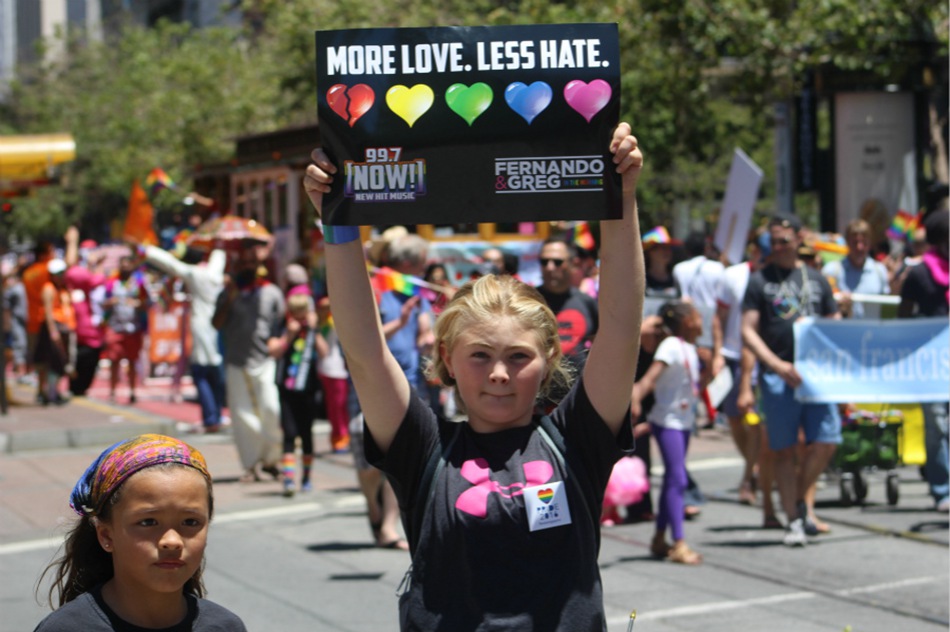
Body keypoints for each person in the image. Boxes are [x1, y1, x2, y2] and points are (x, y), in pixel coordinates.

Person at [303, 121, 644, 629]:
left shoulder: (578, 441)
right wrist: (338, 216)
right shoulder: (422, 448)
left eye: (519, 357)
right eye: (480, 356)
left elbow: (620, 324)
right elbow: (366, 352)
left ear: (550, 360)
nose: (500, 374)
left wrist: (623, 196)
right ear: (447, 359)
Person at [34, 434, 247, 631]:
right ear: (106, 536)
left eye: (191, 522)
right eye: (148, 522)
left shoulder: (225, 626)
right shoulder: (65, 628)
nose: (172, 541)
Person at [741, 212, 841, 547]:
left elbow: (834, 324)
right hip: (779, 377)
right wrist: (776, 364)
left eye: (784, 240)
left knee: (827, 441)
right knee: (782, 450)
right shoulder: (760, 280)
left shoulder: (816, 278)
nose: (778, 246)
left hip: (817, 377)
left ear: (799, 239)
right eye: (773, 240)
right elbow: (747, 331)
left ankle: (798, 498)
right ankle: (794, 519)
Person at [632, 301, 704, 565]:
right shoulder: (671, 346)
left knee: (674, 481)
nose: (701, 321)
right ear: (687, 321)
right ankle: (679, 543)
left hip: (682, 421)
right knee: (677, 479)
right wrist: (636, 397)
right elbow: (649, 378)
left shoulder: (688, 348)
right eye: (698, 316)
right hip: (668, 421)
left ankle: (660, 537)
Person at [213, 244, 285, 482]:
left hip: (264, 360)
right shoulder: (228, 292)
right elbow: (216, 323)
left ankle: (272, 459)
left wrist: (280, 340)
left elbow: (282, 321)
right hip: (236, 361)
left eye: (251, 263)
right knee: (243, 416)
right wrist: (230, 297)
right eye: (242, 263)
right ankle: (252, 465)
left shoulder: (271, 292)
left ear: (259, 266)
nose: (247, 267)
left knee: (270, 409)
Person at [140, 241, 227, 433]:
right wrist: (220, 247)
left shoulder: (197, 274)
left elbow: (171, 264)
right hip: (218, 330)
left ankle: (211, 417)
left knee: (201, 374)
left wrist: (148, 250)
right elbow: (218, 259)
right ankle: (217, 415)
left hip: (202, 329)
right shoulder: (218, 276)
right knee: (216, 374)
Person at [714, 229, 770, 507]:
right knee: (735, 418)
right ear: (754, 251)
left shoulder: (772, 279)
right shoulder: (733, 275)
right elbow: (719, 316)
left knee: (755, 420)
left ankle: (749, 477)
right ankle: (754, 464)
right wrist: (716, 354)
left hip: (764, 357)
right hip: (733, 355)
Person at [898, 208, 949, 512]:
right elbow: (904, 314)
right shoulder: (919, 273)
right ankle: (942, 489)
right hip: (932, 362)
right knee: (937, 425)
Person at [268, 291, 320, 496]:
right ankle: (289, 480)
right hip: (287, 387)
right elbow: (273, 351)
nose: (299, 316)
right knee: (289, 433)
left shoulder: (312, 328)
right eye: (295, 312)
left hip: (308, 387)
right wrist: (288, 336)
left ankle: (306, 478)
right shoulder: (283, 325)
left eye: (302, 312)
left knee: (307, 433)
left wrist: (314, 331)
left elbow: (324, 352)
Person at [536, 238, 599, 377]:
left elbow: (600, 347)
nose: (550, 267)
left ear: (573, 263)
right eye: (544, 262)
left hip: (578, 390)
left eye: (557, 262)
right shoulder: (528, 301)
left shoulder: (587, 303)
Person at [63, 228, 108, 397]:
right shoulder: (77, 275)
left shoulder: (89, 276)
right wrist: (72, 242)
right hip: (79, 329)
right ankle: (75, 386)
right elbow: (74, 271)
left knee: (89, 360)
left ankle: (79, 387)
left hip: (91, 331)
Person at [102, 252, 150, 404]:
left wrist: (138, 304)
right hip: (115, 327)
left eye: (128, 265)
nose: (125, 268)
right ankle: (112, 392)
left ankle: (132, 391)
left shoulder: (139, 283)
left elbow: (147, 303)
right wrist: (111, 302)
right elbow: (103, 303)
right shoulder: (112, 283)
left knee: (132, 361)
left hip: (133, 328)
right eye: (122, 266)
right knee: (114, 360)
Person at [822, 219, 890, 319]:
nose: (859, 247)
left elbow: (887, 308)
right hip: (843, 332)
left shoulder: (880, 271)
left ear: (870, 243)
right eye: (855, 242)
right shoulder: (831, 271)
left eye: (864, 242)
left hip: (873, 332)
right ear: (847, 242)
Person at [34, 259, 76, 405]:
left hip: (64, 328)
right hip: (51, 329)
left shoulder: (63, 288)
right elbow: (47, 312)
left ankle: (55, 392)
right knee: (46, 362)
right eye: (58, 274)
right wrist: (53, 331)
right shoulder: (48, 288)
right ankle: (44, 392)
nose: (61, 276)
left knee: (59, 363)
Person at [315, 295, 351, 453]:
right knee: (336, 406)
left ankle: (342, 437)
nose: (325, 310)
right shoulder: (326, 323)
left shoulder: (332, 321)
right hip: (331, 369)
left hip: (337, 369)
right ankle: (340, 438)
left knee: (340, 406)